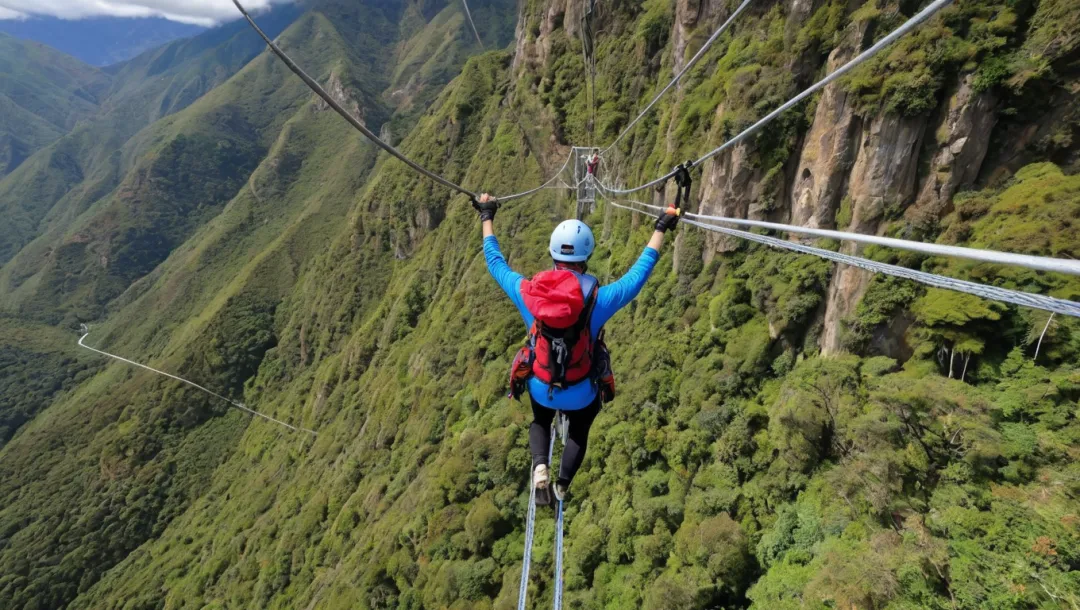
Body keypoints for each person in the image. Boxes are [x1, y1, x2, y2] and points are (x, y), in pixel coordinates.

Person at [472, 193, 680, 504]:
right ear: (588, 256)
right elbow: (638, 276)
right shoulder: (598, 300)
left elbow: (494, 261)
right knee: (579, 431)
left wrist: (487, 215)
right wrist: (661, 226)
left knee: (540, 420)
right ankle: (562, 485)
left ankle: (540, 467)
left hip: (542, 386)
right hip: (582, 390)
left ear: (552, 253)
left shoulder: (528, 293)